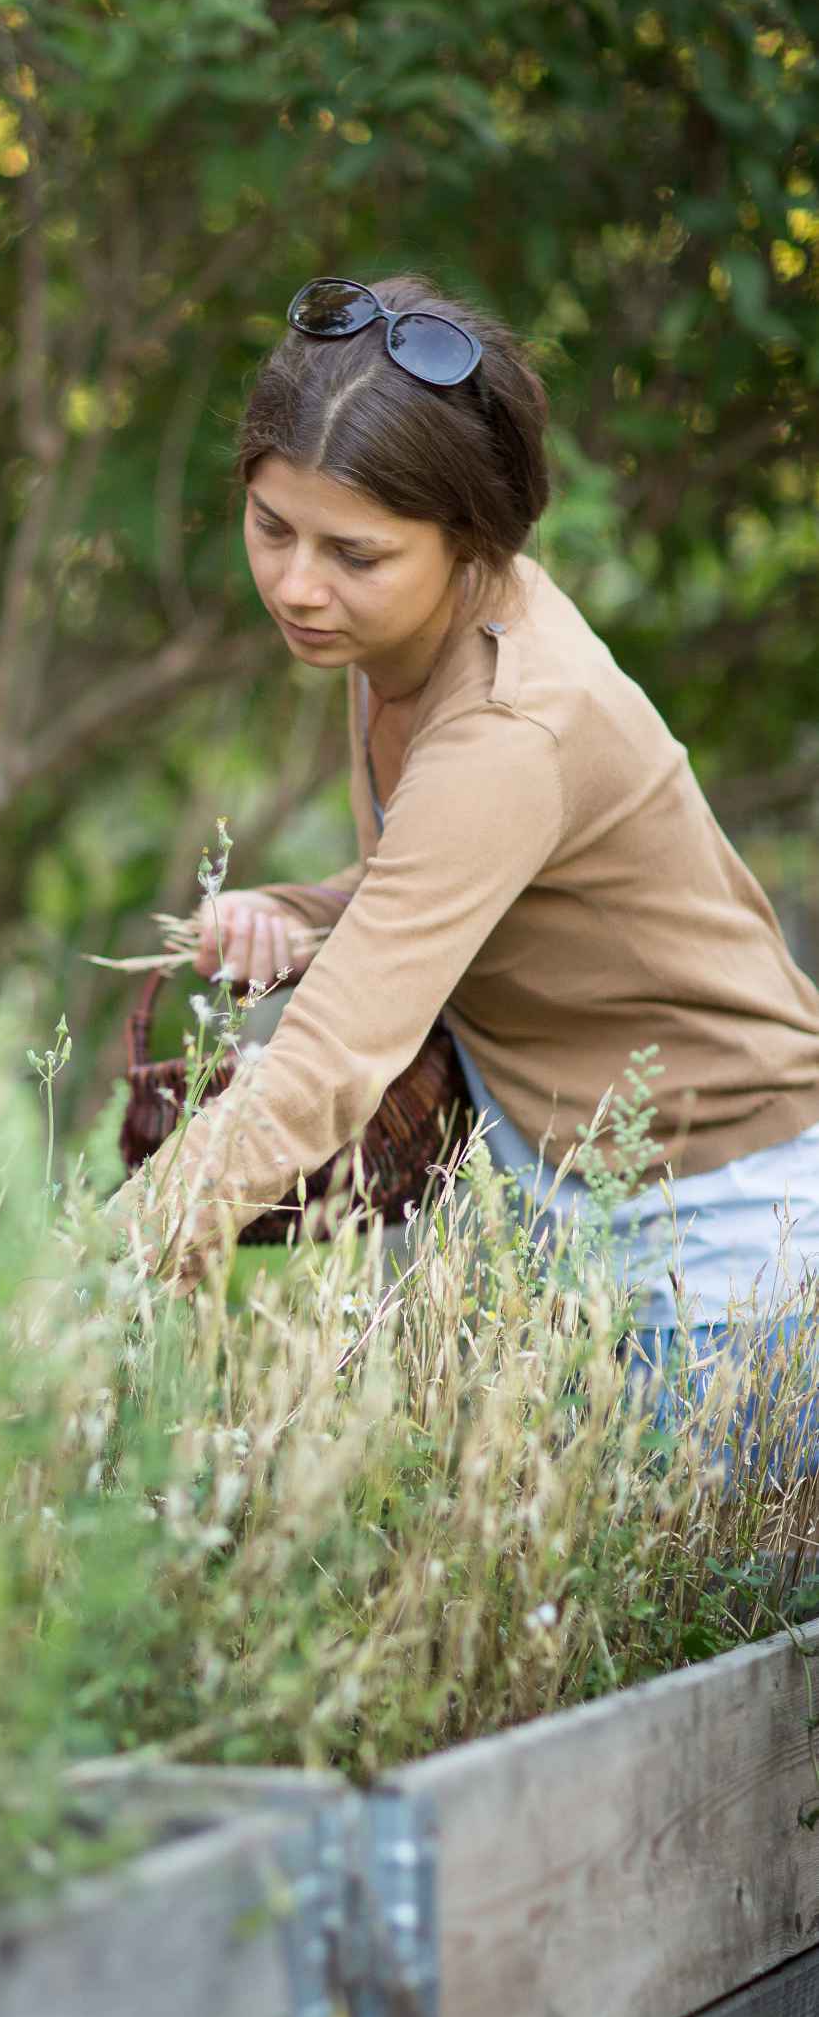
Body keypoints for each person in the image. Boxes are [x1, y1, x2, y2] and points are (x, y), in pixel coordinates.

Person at [128, 273, 819, 1425]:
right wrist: (303, 915)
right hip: (566, 1195)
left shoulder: (510, 722)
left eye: (353, 554)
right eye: (270, 527)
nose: (296, 585)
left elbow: (330, 1057)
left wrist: (97, 1267)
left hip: (717, 1241)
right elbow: (452, 871)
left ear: (467, 540)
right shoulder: (400, 636)